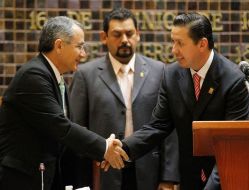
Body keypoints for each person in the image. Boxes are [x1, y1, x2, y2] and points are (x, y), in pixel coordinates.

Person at [117, 12, 249, 190]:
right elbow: (158, 126)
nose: (173, 50)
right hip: (189, 178)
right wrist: (123, 148)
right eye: (173, 41)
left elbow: (232, 147)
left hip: (225, 178)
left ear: (202, 44)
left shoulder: (233, 80)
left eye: (180, 43)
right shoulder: (172, 75)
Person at [0, 16, 128, 190]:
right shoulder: (34, 76)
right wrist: (103, 148)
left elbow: (67, 130)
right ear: (59, 45)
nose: (83, 54)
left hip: (46, 176)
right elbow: (61, 127)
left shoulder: (57, 79)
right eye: (79, 46)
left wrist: (100, 153)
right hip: (23, 179)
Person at [63, 8, 180, 190]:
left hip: (149, 171)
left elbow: (169, 131)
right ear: (104, 37)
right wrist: (81, 182)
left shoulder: (160, 72)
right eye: (117, 34)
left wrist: (169, 178)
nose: (124, 40)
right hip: (102, 173)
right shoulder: (86, 75)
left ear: (138, 35)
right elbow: (77, 129)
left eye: (129, 33)